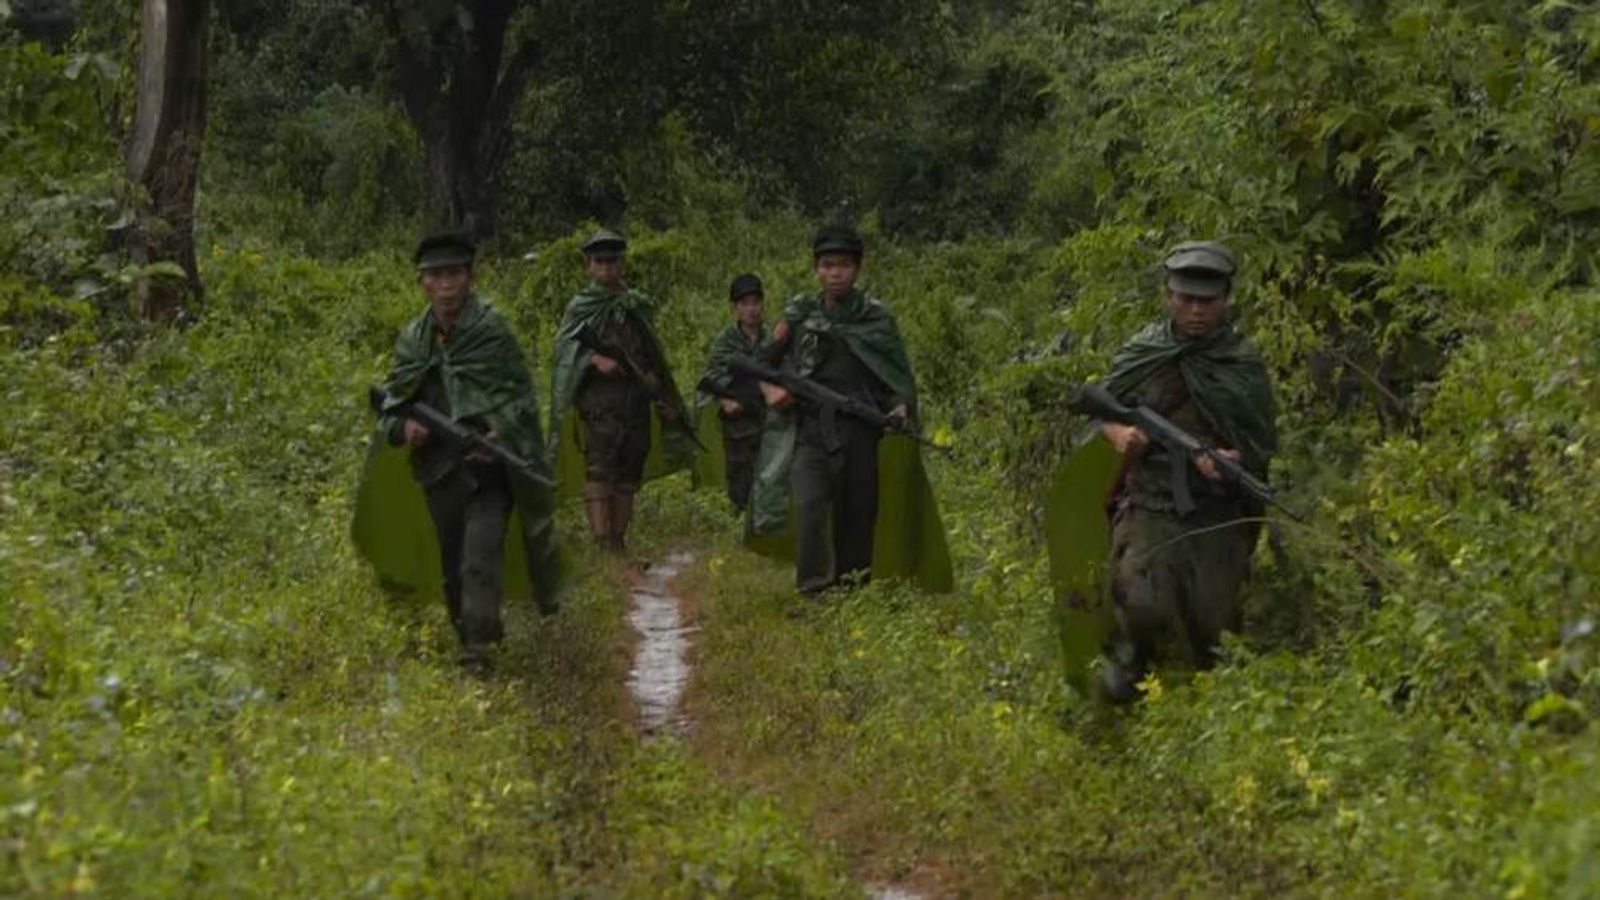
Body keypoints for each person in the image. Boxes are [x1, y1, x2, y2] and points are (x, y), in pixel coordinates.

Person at [355, 229, 562, 673]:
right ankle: (469, 630)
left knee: (479, 556)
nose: (446, 285)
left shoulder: (492, 332)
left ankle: (478, 648)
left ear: (471, 278)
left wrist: (496, 430)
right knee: (452, 561)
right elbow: (392, 406)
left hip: (486, 470)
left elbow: (518, 400)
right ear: (423, 283)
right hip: (437, 472)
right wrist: (406, 428)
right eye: (436, 276)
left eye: (454, 274)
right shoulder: (414, 340)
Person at [1095, 240, 1278, 702]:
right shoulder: (1144, 352)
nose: (1196, 310)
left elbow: (1259, 442)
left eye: (1207, 301)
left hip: (1216, 514)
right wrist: (1119, 434)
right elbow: (1101, 407)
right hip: (1151, 503)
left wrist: (1233, 462)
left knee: (1215, 630)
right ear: (1169, 296)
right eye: (1186, 299)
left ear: (1226, 300)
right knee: (1136, 607)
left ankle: (1209, 721)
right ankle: (1112, 715)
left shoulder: (1241, 365)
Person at [749, 224, 951, 595]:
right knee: (810, 509)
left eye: (843, 265)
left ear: (858, 269)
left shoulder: (875, 320)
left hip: (861, 430)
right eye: (827, 265)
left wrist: (901, 409)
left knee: (857, 517)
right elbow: (761, 363)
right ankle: (812, 591)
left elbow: (895, 380)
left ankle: (852, 591)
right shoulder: (799, 316)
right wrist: (771, 390)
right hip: (810, 430)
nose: (835, 272)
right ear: (816, 270)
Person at [549, 229, 695, 553]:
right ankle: (602, 544)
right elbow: (564, 352)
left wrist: (663, 397)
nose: (606, 268)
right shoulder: (581, 306)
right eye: (599, 261)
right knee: (600, 470)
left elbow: (652, 353)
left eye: (612, 261)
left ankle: (618, 541)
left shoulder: (634, 304)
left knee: (629, 473)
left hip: (636, 400)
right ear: (589, 265)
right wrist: (594, 360)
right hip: (601, 403)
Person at [696, 273, 771, 511]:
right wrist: (725, 399)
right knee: (739, 473)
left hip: (767, 415)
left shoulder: (772, 339)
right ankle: (739, 518)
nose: (751, 309)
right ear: (735, 308)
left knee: (769, 469)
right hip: (738, 420)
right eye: (744, 303)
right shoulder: (726, 340)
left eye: (755, 302)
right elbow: (711, 376)